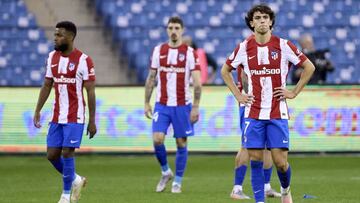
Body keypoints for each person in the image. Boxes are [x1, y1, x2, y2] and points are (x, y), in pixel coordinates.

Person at [221, 4, 315, 203]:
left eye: (265, 17)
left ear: (271, 22)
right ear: (251, 23)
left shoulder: (283, 45)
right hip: (253, 112)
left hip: (276, 112)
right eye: (257, 17)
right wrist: (238, 95)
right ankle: (259, 201)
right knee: (255, 158)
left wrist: (294, 92)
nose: (262, 20)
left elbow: (309, 67)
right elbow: (225, 71)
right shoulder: (244, 47)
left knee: (281, 163)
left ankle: (285, 189)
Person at [33, 21, 97, 203]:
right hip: (56, 115)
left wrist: (92, 120)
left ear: (70, 37)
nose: (55, 38)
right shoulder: (52, 57)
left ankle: (66, 195)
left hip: (75, 116)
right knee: (52, 155)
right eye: (55, 34)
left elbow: (90, 91)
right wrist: (38, 109)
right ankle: (76, 179)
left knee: (68, 152)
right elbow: (47, 85)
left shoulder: (84, 60)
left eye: (59, 35)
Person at [144, 16, 202, 194]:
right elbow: (151, 77)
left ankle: (177, 181)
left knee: (181, 142)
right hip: (162, 104)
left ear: (182, 30)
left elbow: (197, 83)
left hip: (182, 105)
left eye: (177, 28)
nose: (174, 31)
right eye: (170, 28)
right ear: (167, 30)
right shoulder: (158, 50)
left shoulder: (190, 53)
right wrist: (146, 102)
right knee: (157, 139)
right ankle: (165, 171)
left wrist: (195, 107)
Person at [230, 68, 281, 200]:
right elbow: (243, 75)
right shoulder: (247, 49)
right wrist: (248, 94)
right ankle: (237, 188)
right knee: (247, 145)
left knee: (267, 146)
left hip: (265, 104)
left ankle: (266, 187)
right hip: (251, 104)